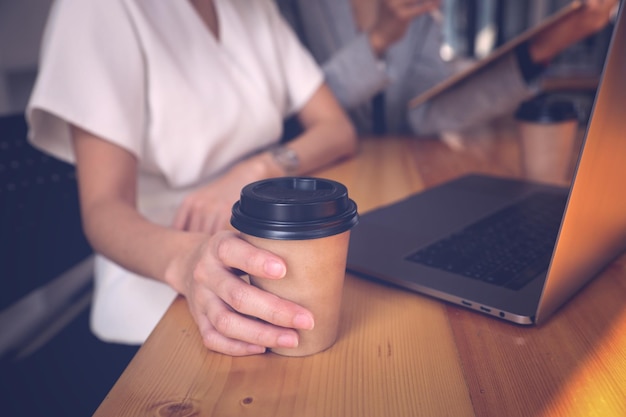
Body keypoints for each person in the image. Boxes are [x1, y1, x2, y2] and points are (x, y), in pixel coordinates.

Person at [26, 0, 357, 356]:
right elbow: (102, 209)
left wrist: (260, 169)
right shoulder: (97, 9)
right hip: (162, 274)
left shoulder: (254, 7)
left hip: (266, 250)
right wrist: (186, 262)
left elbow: (338, 128)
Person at [276, 0, 619, 136]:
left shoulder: (419, 9)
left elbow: (424, 113)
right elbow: (293, 114)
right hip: (314, 191)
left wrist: (543, 48)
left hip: (396, 178)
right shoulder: (283, 8)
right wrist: (378, 39)